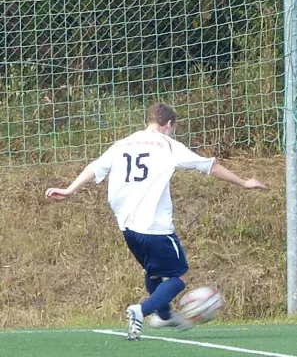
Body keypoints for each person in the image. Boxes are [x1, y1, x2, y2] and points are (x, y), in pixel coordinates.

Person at [45, 103, 267, 341]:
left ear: (147, 120)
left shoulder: (122, 144)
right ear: (168, 124)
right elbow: (210, 166)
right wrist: (243, 182)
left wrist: (69, 190)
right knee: (180, 277)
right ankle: (142, 310)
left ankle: (163, 315)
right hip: (154, 226)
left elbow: (95, 167)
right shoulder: (168, 145)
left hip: (128, 226)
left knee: (153, 272)